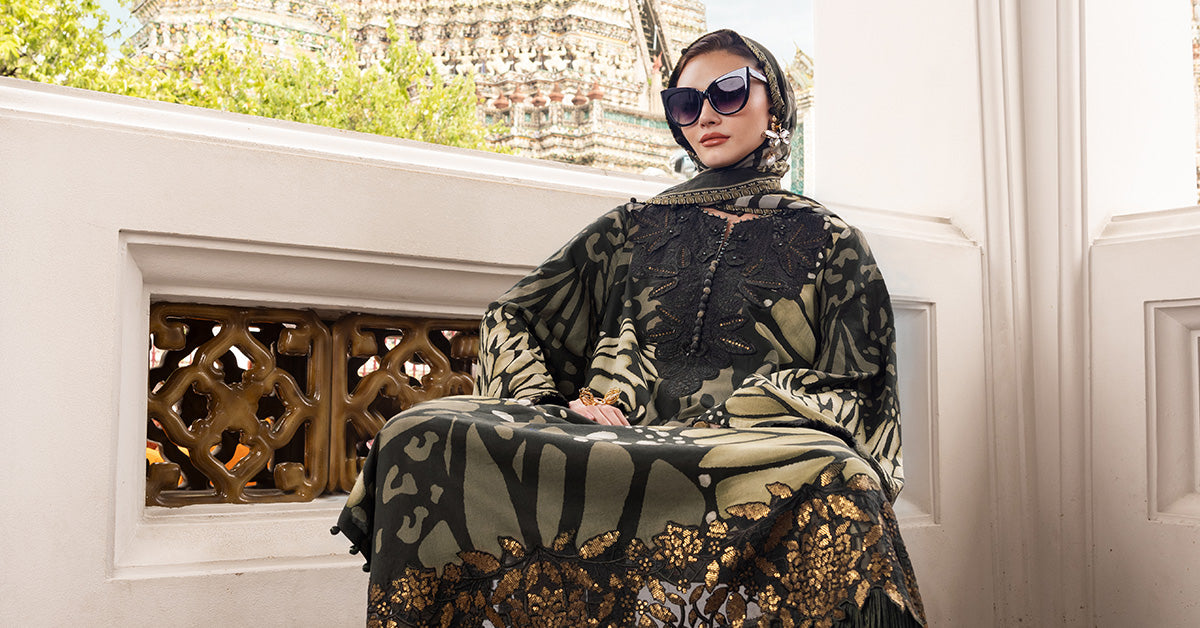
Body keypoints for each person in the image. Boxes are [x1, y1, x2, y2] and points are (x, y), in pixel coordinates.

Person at [336, 29, 925, 627]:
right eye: (685, 104)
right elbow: (514, 315)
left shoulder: (831, 241)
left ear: (774, 103)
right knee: (416, 431)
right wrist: (555, 404)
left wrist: (743, 414)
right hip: (614, 445)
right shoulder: (631, 227)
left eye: (727, 93)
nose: (705, 117)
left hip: (748, 454)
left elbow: (859, 387)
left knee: (841, 477)